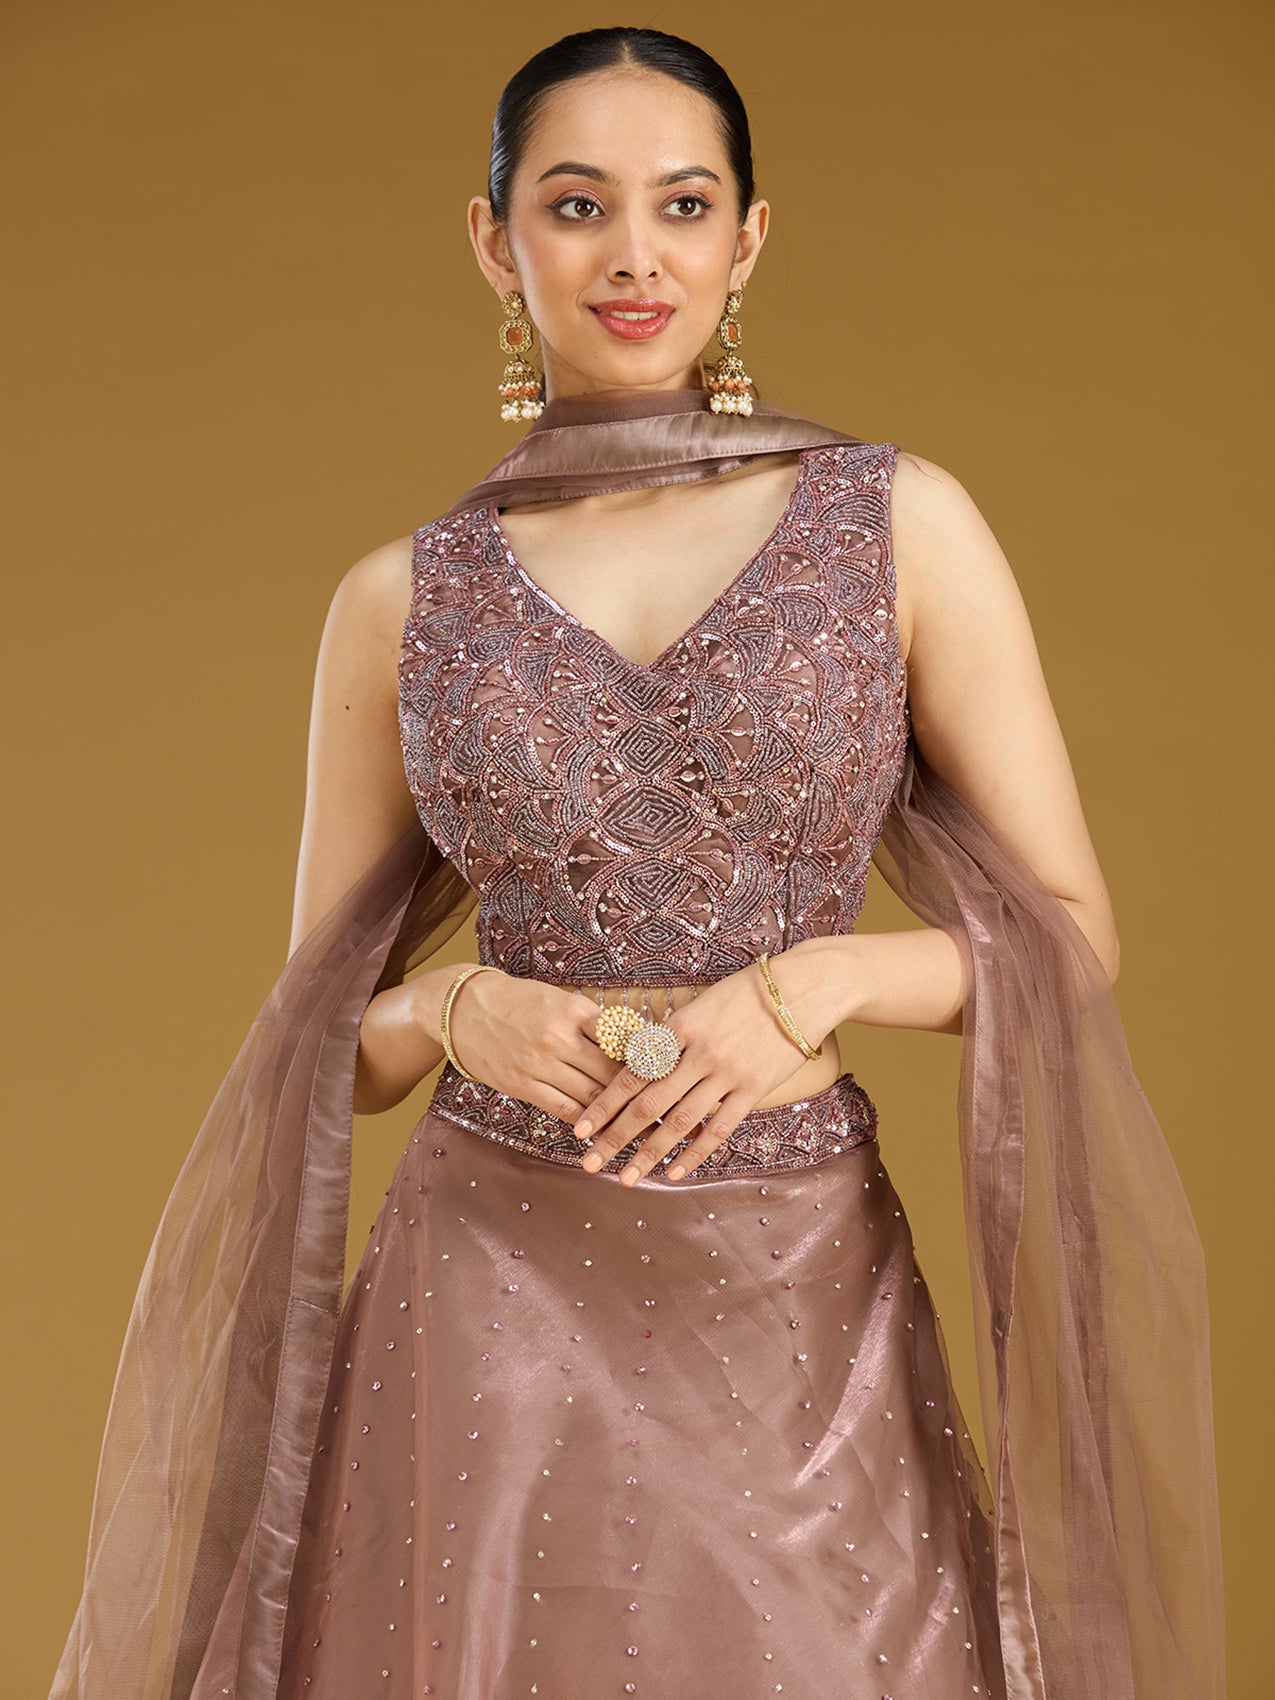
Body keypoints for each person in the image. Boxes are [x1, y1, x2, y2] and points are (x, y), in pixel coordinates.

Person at [51, 26, 1225, 1700]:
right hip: (488, 1295)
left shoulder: (898, 524)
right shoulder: (403, 599)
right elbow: (326, 1042)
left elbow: (1075, 934)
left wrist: (816, 982)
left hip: (793, 1276)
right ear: (494, 240)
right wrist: (454, 1009)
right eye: (576, 204)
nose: (633, 255)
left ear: (749, 238)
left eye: (682, 205)